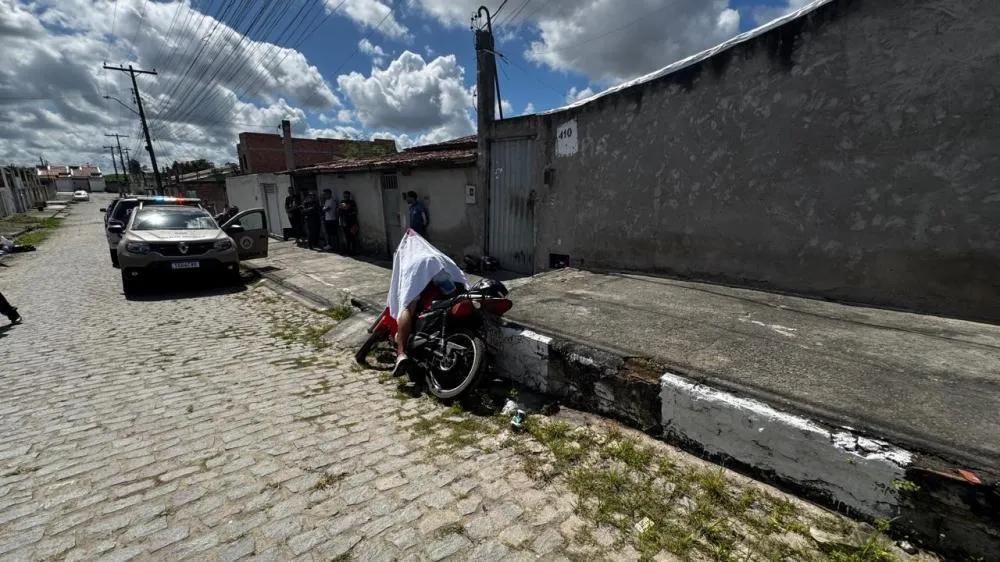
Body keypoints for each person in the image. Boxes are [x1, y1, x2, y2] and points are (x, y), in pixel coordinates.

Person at [386, 230, 467, 377]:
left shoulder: (408, 256)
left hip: (420, 271)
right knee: (452, 298)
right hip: (439, 269)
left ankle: (401, 353)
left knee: (407, 307)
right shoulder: (430, 251)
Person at [338, 190, 359, 255]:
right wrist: (341, 221)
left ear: (349, 196)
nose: (346, 196)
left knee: (353, 237)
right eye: (344, 195)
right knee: (347, 237)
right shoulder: (342, 202)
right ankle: (348, 251)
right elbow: (340, 212)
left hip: (352, 222)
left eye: (347, 195)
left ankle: (354, 251)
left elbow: (355, 212)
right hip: (345, 222)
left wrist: (349, 212)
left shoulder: (352, 202)